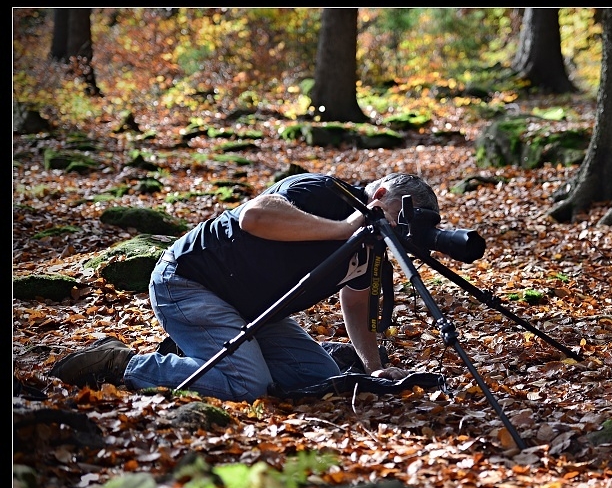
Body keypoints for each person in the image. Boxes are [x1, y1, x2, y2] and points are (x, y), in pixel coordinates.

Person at [51, 172, 440, 403]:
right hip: (189, 283)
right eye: (397, 220)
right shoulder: (323, 192)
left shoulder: (372, 249)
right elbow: (254, 217)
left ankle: (217, 354)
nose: (397, 234)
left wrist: (374, 369)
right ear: (380, 196)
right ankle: (121, 364)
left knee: (318, 375)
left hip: (253, 309)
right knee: (246, 385)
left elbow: (355, 305)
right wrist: (345, 229)